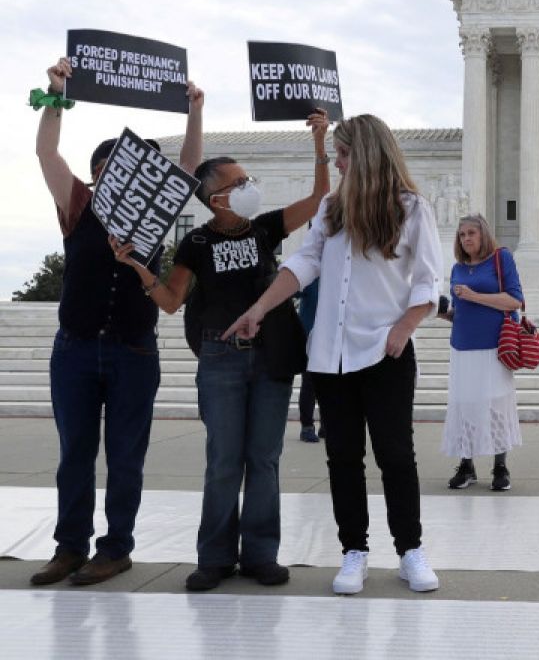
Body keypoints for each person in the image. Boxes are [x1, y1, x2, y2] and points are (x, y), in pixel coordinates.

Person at [224, 114, 443, 596]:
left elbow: (429, 279)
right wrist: (259, 308)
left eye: (341, 153)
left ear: (364, 152)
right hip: (331, 355)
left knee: (395, 456)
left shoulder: (411, 208)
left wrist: (405, 326)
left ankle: (410, 551)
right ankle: (354, 552)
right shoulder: (330, 208)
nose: (337, 162)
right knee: (342, 457)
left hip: (386, 349)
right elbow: (303, 263)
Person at [115, 110, 330, 591]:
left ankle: (259, 555)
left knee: (265, 458)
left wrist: (320, 143)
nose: (248, 185)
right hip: (220, 356)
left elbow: (319, 199)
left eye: (247, 178)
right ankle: (214, 557)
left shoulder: (266, 228)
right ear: (216, 197)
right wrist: (138, 269)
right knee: (224, 460)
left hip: (272, 354)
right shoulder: (194, 242)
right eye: (239, 181)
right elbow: (171, 302)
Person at [30, 57, 203, 586]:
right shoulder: (77, 204)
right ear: (99, 172)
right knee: (74, 456)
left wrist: (196, 111)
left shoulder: (155, 210)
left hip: (133, 349)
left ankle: (116, 548)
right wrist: (55, 94)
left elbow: (190, 173)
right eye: (114, 168)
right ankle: (68, 547)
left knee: (126, 458)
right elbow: (46, 152)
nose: (125, 177)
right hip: (76, 348)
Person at [438, 214, 524, 491]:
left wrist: (473, 295)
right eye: (462, 235)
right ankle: (466, 465)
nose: (466, 239)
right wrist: (441, 313)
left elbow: (514, 300)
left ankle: (500, 466)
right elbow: (460, 312)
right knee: (465, 405)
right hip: (462, 346)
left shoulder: (501, 259)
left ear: (483, 234)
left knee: (495, 404)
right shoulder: (457, 269)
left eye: (471, 233)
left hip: (495, 346)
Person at [296, 278, 323, 442]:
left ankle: (326, 426)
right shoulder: (311, 278)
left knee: (331, 385)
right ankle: (307, 426)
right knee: (310, 384)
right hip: (309, 339)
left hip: (330, 339)